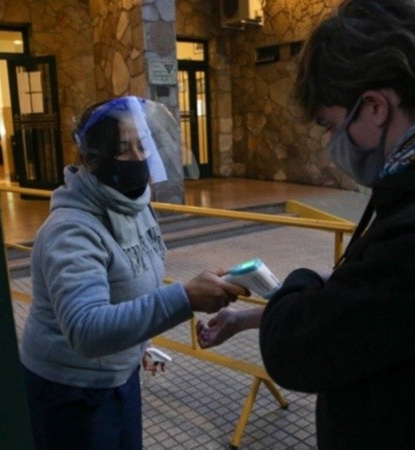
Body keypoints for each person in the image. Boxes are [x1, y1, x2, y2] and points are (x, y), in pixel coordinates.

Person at [202, 0, 415, 447]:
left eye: (331, 125)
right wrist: (253, 315)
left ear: (373, 107)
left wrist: (304, 277)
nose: (332, 143)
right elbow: (377, 316)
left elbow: (297, 353)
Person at [19, 95, 246, 450]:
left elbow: (132, 284)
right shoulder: (70, 230)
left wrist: (141, 343)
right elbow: (88, 331)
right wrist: (184, 297)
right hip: (70, 392)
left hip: (119, 375)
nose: (139, 158)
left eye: (144, 145)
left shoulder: (134, 204)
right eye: (124, 149)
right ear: (94, 159)